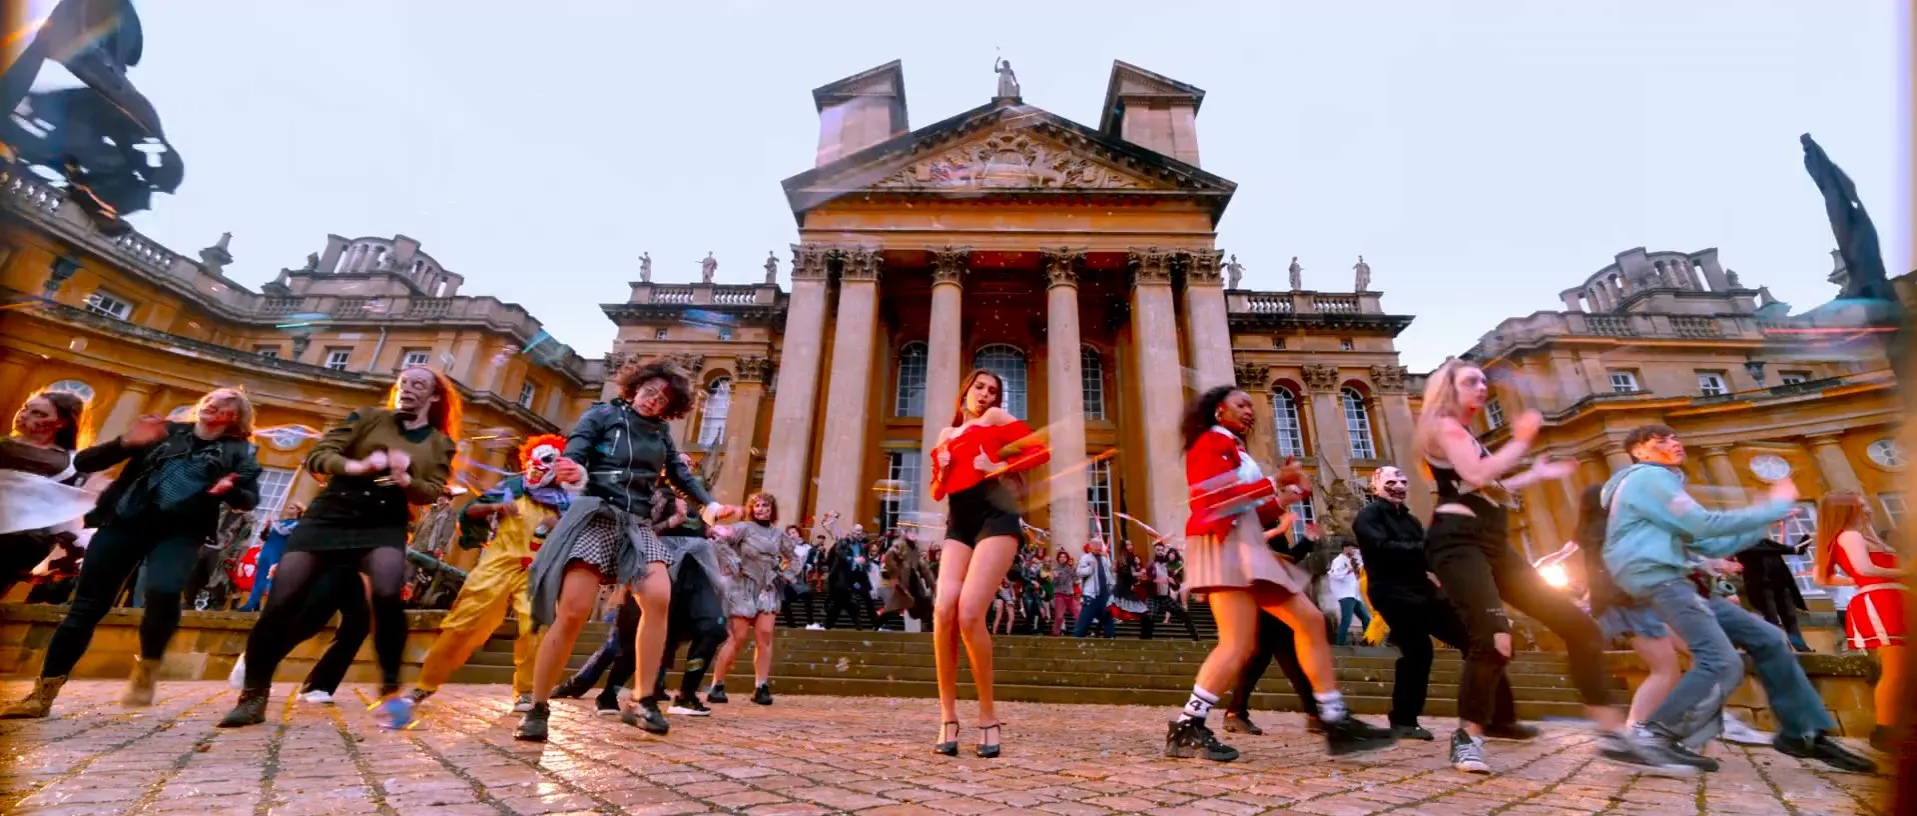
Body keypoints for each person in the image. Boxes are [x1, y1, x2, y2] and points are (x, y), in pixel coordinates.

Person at [1414, 361, 1687, 775]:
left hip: (1493, 544)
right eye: (1471, 381)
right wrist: (1521, 441)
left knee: (1580, 628)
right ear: (1447, 389)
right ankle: (1468, 737)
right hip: (1457, 543)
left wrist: (1534, 474)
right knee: (1494, 638)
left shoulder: (1466, 435)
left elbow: (1485, 486)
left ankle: (1614, 733)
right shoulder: (1443, 426)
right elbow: (1475, 473)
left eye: (1484, 380)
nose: (1482, 386)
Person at [1602, 424, 1872, 773]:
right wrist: (1771, 507)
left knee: (1769, 638)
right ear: (1639, 451)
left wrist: (1761, 524)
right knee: (1721, 662)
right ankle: (1651, 735)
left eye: (1676, 436)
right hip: (1659, 577)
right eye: (1662, 440)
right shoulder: (1648, 478)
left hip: (1682, 579)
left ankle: (1802, 731)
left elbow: (1708, 544)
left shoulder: (1660, 484)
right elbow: (1703, 524)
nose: (1675, 442)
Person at [1166, 385, 1396, 762]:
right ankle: (1188, 725)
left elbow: (1249, 507)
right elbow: (1213, 501)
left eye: (1251, 405)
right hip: (1224, 543)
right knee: (1239, 642)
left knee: (1307, 621)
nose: (1249, 411)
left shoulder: (1234, 448)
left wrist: (1287, 496)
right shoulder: (1210, 442)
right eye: (1241, 404)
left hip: (1244, 543)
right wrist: (1276, 480)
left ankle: (1334, 718)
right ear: (1219, 409)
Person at [219, 369, 457, 728]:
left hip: (383, 519)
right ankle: (253, 697)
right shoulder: (367, 417)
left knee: (386, 599)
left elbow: (431, 490)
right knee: (283, 603)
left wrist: (406, 479)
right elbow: (319, 455)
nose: (407, 389)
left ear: (435, 396)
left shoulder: (440, 442)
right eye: (403, 383)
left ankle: (389, 692)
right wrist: (356, 465)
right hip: (332, 511)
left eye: (418, 385)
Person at [5, 388, 262, 719]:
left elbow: (249, 499)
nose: (214, 405)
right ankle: (42, 695)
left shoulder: (240, 451)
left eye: (225, 404)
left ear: (235, 417)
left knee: (164, 591)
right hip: (123, 523)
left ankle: (149, 665)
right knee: (85, 608)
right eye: (211, 400)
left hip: (180, 534)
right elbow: (84, 462)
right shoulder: (164, 432)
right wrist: (127, 442)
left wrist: (231, 489)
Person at [517, 360, 739, 741]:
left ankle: (643, 700)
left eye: (662, 399)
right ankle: (538, 707)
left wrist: (711, 506)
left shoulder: (661, 433)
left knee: (658, 597)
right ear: (635, 387)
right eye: (649, 392)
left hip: (637, 523)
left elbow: (680, 475)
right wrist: (575, 470)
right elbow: (578, 450)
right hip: (598, 515)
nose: (654, 401)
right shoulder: (601, 414)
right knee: (572, 612)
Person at [1353, 465, 1530, 742]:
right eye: (1391, 482)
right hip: (1391, 592)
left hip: (1423, 590)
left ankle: (1499, 719)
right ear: (1375, 486)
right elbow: (1383, 550)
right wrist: (1427, 549)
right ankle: (1403, 720)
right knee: (1418, 652)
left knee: (1478, 642)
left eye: (1402, 481)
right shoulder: (1368, 516)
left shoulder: (1410, 521)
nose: (1399, 486)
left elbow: (1428, 557)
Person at [406, 434, 580, 712]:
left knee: (537, 628)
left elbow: (576, 532)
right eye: (537, 461)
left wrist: (558, 522)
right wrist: (495, 507)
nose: (540, 469)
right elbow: (471, 511)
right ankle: (425, 683)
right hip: (497, 563)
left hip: (536, 570)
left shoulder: (565, 500)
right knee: (463, 622)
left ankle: (526, 691)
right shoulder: (511, 487)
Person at [926, 369, 1050, 758]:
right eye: (979, 387)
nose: (985, 395)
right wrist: (943, 466)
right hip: (959, 522)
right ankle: (948, 716)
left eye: (993, 391)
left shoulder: (994, 419)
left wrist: (996, 467)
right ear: (966, 389)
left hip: (997, 515)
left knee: (969, 613)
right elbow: (937, 491)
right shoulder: (946, 434)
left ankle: (988, 717)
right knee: (943, 609)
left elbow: (1040, 450)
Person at [1222, 497, 1327, 737]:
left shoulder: (1267, 525)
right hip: (1263, 597)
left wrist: (1307, 540)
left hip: (1271, 595)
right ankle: (1315, 714)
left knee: (1267, 656)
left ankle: (1237, 712)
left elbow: (1286, 559)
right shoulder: (1253, 524)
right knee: (1286, 654)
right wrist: (1282, 530)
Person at [1814, 491, 1906, 751]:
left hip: (1891, 596)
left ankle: (1893, 727)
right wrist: (1904, 572)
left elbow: (1824, 577)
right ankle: (1886, 731)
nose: (1868, 509)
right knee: (1896, 669)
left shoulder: (1862, 535)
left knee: (1900, 669)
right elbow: (1864, 569)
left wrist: (1857, 579)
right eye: (1861, 506)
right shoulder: (1850, 535)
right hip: (1881, 600)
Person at [706, 492, 800, 706]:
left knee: (765, 637)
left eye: (766, 506)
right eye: (757, 505)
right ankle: (717, 684)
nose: (761, 509)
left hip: (767, 589)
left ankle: (761, 686)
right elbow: (717, 539)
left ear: (772, 510)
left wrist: (787, 575)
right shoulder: (743, 528)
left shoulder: (778, 535)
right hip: (742, 587)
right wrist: (733, 562)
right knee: (737, 638)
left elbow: (794, 557)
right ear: (751, 508)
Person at [0, 390, 94, 600]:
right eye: (25, 408)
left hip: (19, 543)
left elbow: (67, 514)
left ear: (61, 423)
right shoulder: (4, 446)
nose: (24, 415)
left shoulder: (72, 464)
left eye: (39, 414)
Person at [1735, 537, 1813, 652]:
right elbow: (1761, 550)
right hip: (1762, 587)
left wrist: (1805, 541)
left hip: (1781, 585)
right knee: (1772, 619)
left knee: (1790, 618)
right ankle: (1782, 648)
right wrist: (1791, 549)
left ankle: (1801, 647)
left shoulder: (1764, 542)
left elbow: (1792, 550)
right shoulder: (1740, 544)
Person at [239, 503, 303, 612]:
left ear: (298, 511)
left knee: (272, 580)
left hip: (278, 552)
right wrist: (267, 527)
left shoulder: (297, 524)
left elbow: (283, 531)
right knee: (259, 578)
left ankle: (272, 606)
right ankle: (251, 604)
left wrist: (273, 521)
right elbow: (264, 537)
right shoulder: (280, 522)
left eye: (292, 508)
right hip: (267, 551)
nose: (288, 509)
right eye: (288, 507)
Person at [1142, 541, 1200, 641]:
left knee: (1184, 614)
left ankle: (1196, 639)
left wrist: (1171, 581)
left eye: (1162, 550)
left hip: (1165, 597)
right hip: (1153, 597)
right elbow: (1144, 580)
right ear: (1155, 551)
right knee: (1149, 617)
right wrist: (1155, 581)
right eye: (1158, 550)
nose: (1160, 552)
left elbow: (1176, 586)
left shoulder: (1167, 567)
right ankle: (1146, 640)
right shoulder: (1150, 566)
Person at [1327, 542, 1370, 646]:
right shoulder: (1338, 561)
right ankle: (1340, 643)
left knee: (1366, 618)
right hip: (1345, 595)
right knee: (1346, 620)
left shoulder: (1352, 560)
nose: (1353, 551)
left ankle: (1367, 640)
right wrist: (1348, 570)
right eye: (1351, 549)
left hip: (1353, 595)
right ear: (1345, 548)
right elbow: (1334, 575)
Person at [1074, 537, 1118, 638]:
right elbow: (1079, 572)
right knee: (1085, 618)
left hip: (1105, 594)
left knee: (1108, 618)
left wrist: (1113, 584)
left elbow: (1109, 574)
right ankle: (1077, 638)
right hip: (1091, 595)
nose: (1098, 549)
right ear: (1091, 547)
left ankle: (1111, 638)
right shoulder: (1085, 558)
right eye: (1096, 547)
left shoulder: (1104, 558)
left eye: (1099, 547)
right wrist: (1090, 567)